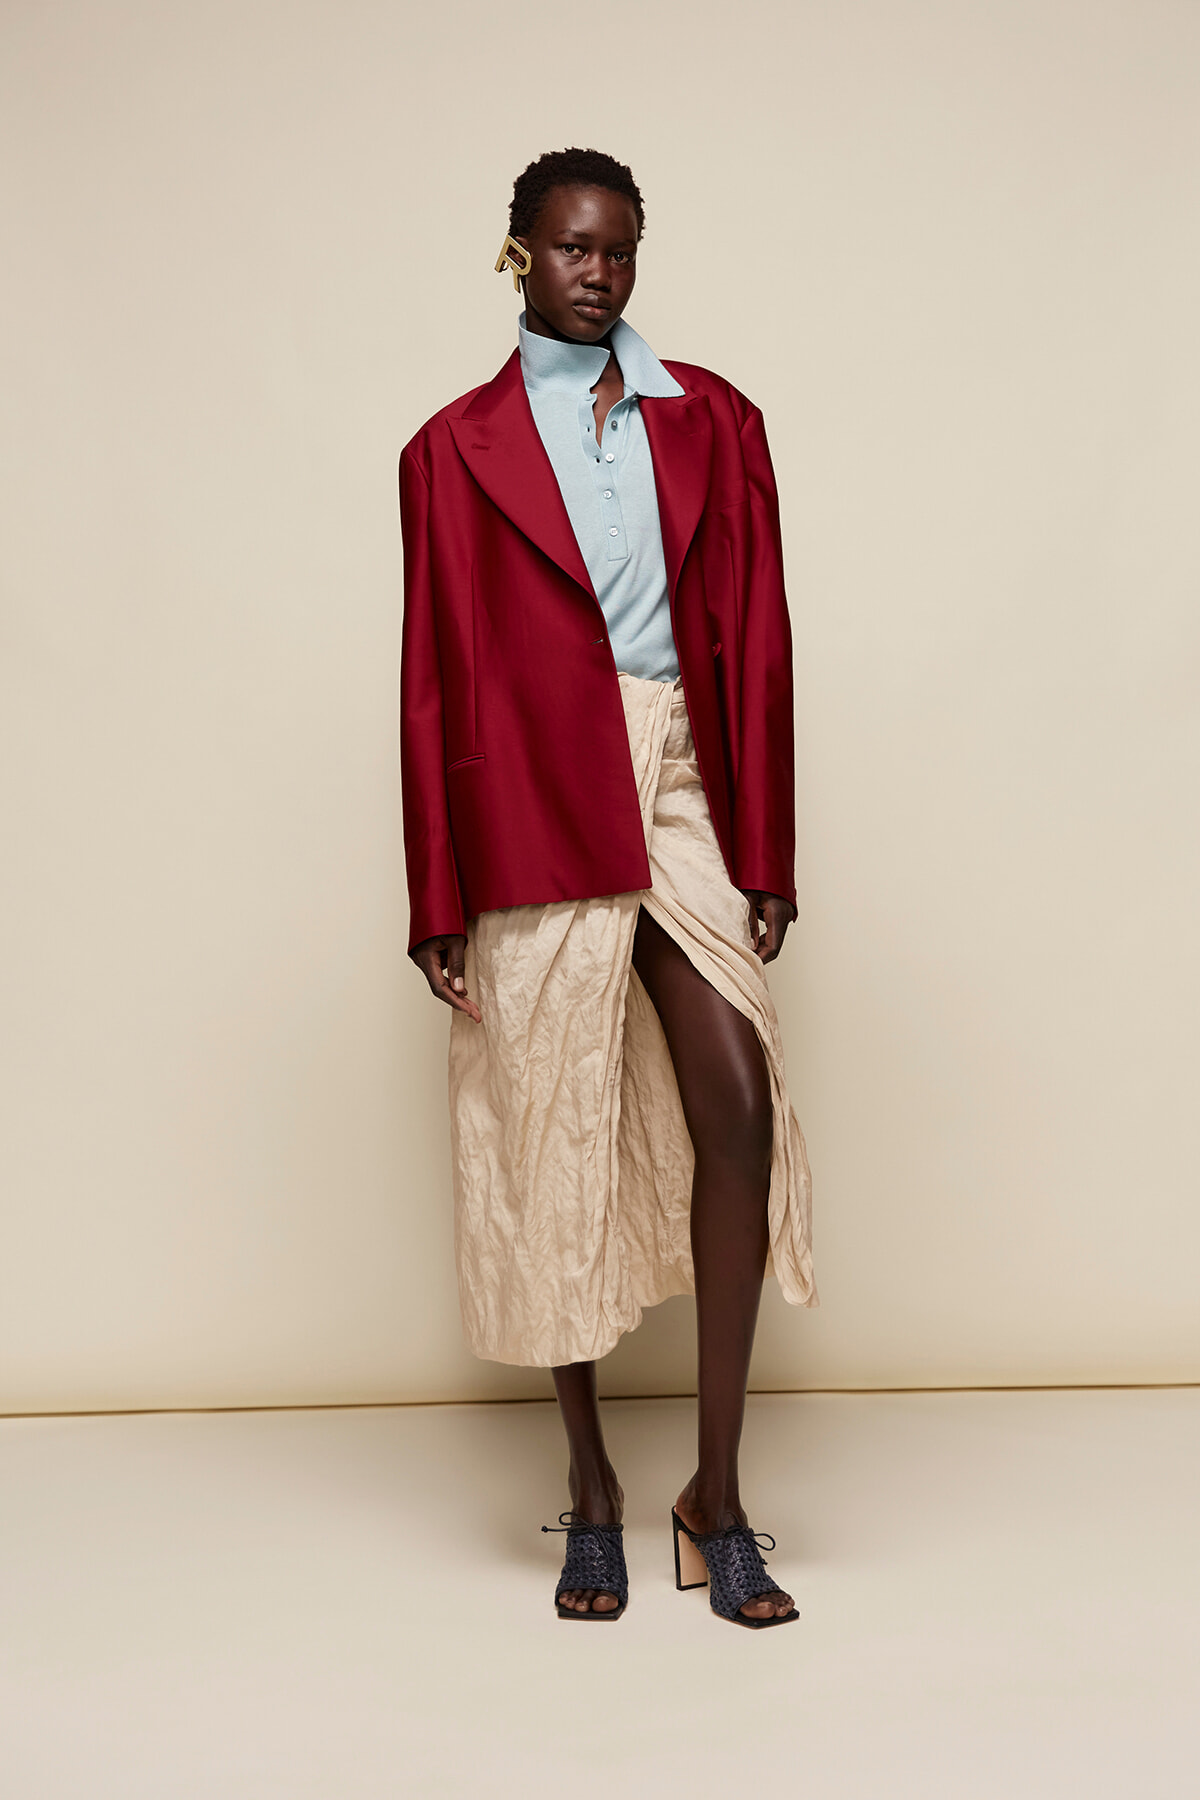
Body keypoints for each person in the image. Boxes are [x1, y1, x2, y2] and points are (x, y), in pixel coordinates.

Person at [398, 147, 814, 1628]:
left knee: (739, 1108)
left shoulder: (715, 419)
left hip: (682, 773)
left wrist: (765, 848)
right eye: (575, 247)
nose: (602, 272)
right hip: (532, 793)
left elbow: (760, 637)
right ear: (521, 254)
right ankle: (590, 1490)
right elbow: (432, 676)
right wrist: (436, 896)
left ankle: (719, 1500)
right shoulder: (450, 451)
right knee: (556, 1130)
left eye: (622, 249)